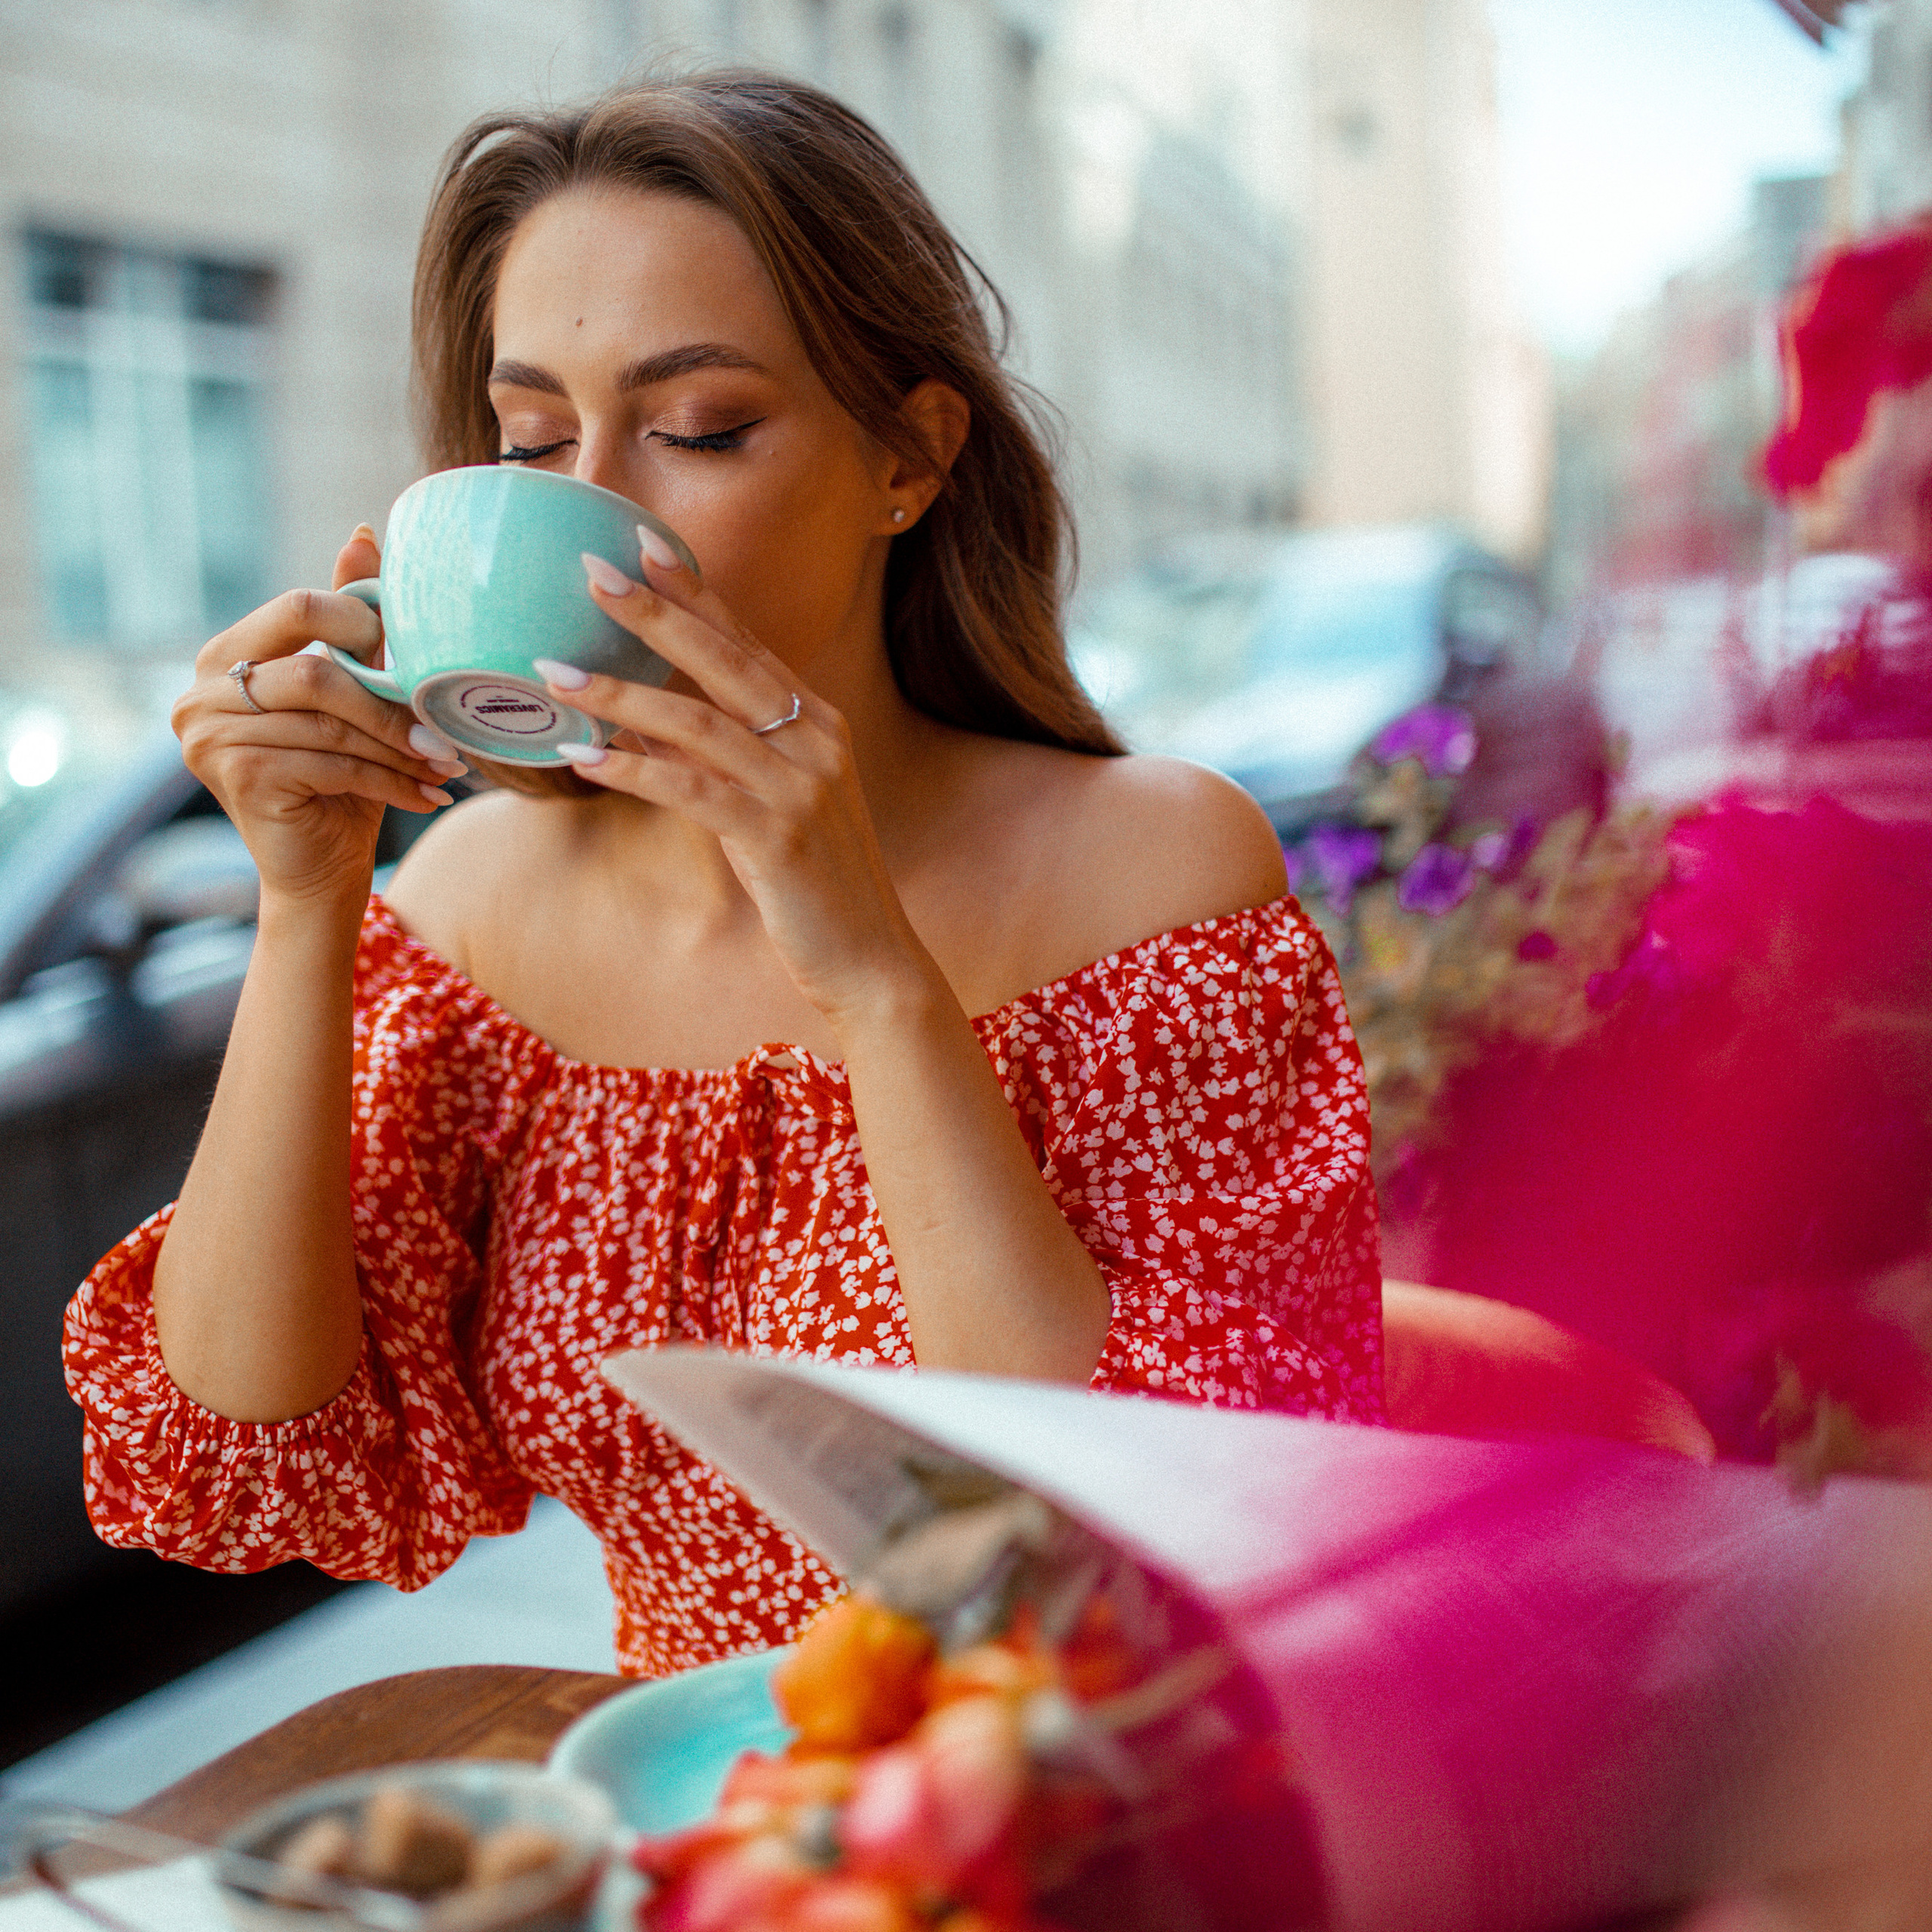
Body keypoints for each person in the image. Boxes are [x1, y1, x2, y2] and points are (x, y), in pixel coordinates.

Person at [65, 72, 1382, 1678]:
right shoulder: (475, 907)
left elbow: (1125, 1543)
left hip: (1089, 1805)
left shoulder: (1155, 868)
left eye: (698, 427)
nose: (599, 506)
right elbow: (242, 1454)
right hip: (703, 1826)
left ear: (907, 455)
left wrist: (874, 976)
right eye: (537, 438)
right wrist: (305, 901)